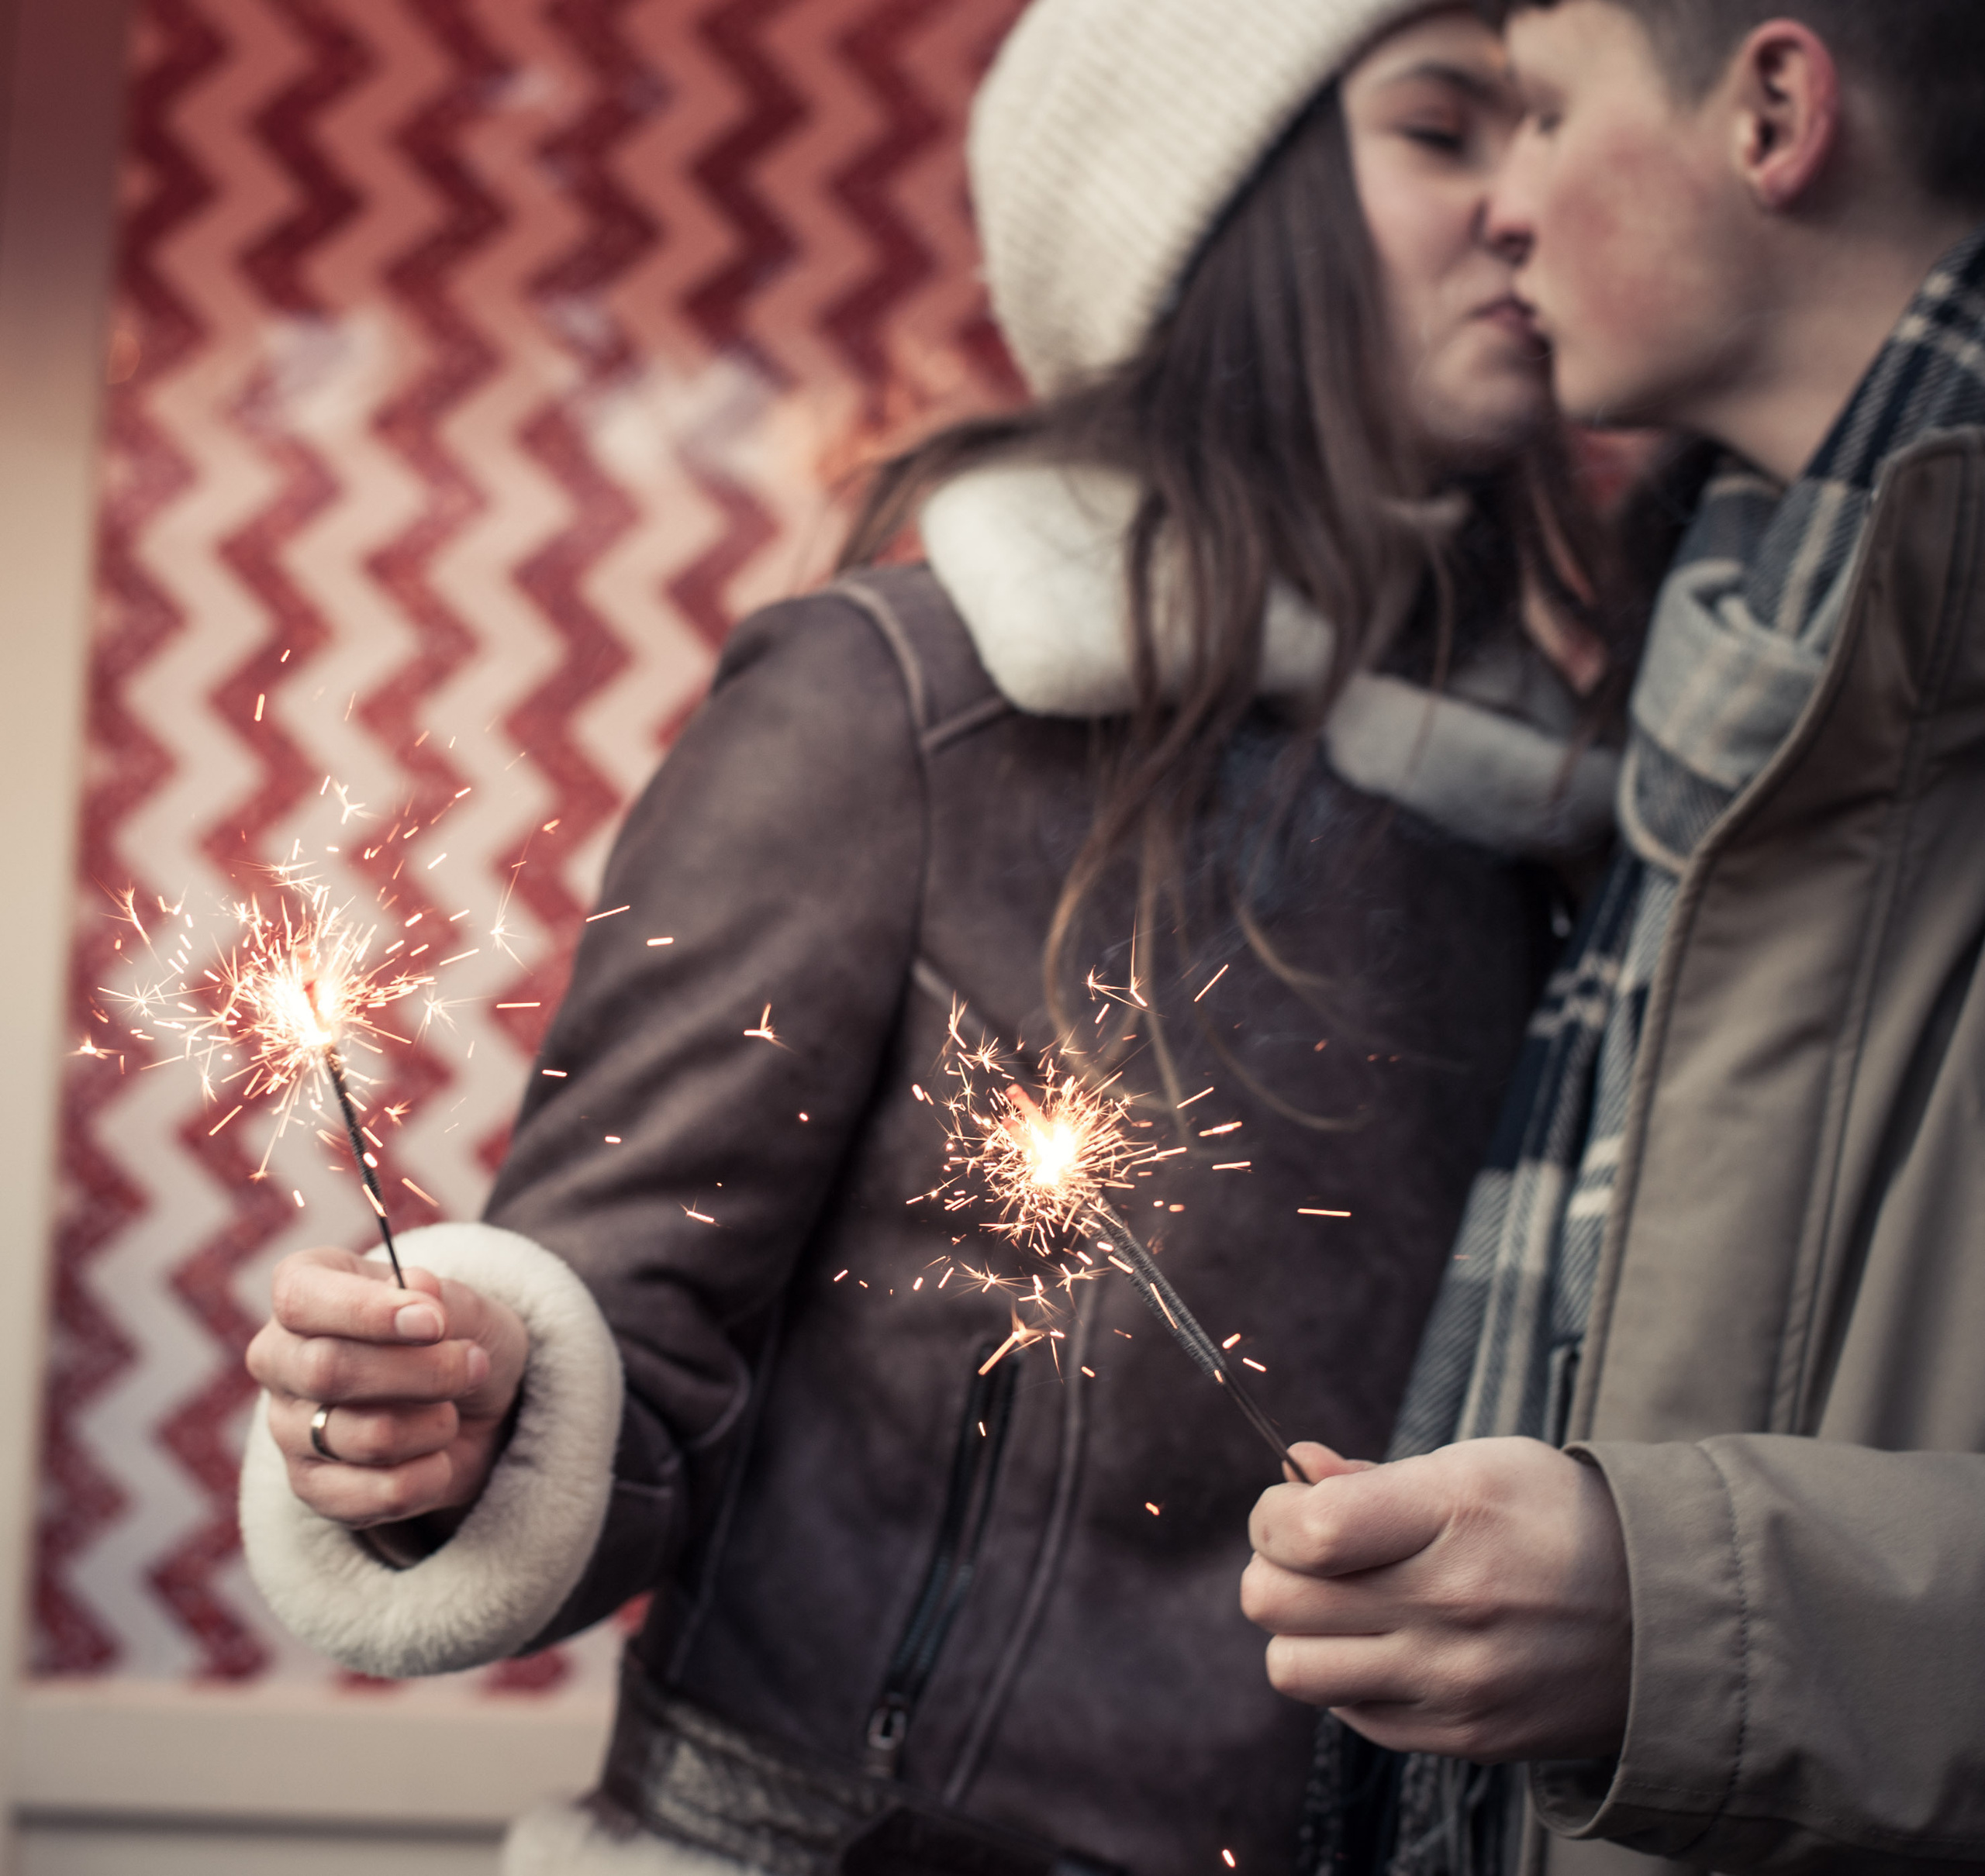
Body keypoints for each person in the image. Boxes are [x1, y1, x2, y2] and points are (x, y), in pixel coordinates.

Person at [238, 3, 1638, 1871]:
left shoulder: (1547, 827)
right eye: (1444, 130)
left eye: (1538, 131)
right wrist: (458, 1420)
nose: (1522, 203)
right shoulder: (893, 707)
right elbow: (617, 1349)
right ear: (1212, 199)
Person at [1241, 3, 1985, 1874]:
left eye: (1546, 114)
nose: (1504, 209)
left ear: (1772, 109)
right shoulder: (1705, 681)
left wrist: (1687, 1619)